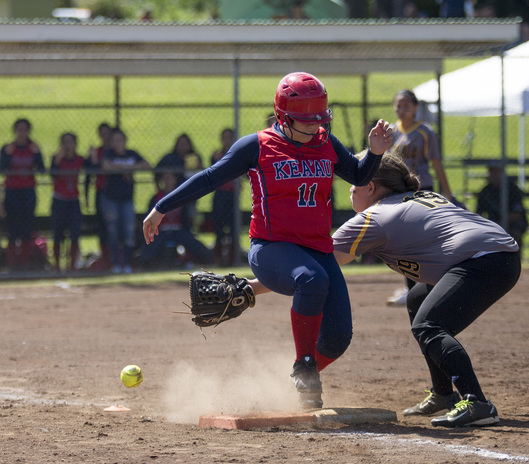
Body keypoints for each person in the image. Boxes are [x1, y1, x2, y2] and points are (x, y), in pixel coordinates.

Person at [143, 72, 393, 409]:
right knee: (311, 279)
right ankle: (304, 368)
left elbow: (359, 174)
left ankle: (288, 380)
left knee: (337, 338)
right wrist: (161, 207)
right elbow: (208, 179)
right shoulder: (257, 146)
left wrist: (375, 153)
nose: (314, 126)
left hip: (317, 250)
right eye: (306, 120)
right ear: (283, 117)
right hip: (271, 249)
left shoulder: (325, 142)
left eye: (319, 119)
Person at [250, 152, 520, 427]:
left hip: (482, 262)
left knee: (429, 325)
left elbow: (311, 268)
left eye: (354, 180)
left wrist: (251, 290)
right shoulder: (421, 197)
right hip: (502, 256)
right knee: (417, 300)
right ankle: (443, 394)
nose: (350, 188)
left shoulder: (374, 217)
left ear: (371, 187)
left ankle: (477, 402)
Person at [386, 89, 452, 307]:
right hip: (399, 192)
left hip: (422, 189)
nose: (401, 109)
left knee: (422, 240)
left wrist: (447, 192)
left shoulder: (425, 131)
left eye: (406, 105)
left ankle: (427, 287)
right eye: (398, 105)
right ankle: (410, 288)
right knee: (403, 242)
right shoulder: (392, 131)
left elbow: (436, 163)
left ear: (415, 107)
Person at [138, 171, 213, 269]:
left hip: (178, 230)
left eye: (170, 178)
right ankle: (149, 265)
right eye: (166, 178)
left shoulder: (180, 196)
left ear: (175, 180)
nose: (168, 181)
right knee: (147, 254)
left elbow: (186, 219)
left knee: (200, 249)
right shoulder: (156, 198)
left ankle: (202, 261)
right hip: (160, 231)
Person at [102, 128, 151, 274]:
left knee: (129, 232)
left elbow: (147, 165)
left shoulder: (132, 154)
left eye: (119, 140)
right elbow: (106, 166)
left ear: (124, 141)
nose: (117, 143)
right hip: (111, 200)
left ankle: (128, 264)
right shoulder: (109, 154)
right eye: (114, 141)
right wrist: (125, 168)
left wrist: (126, 167)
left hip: (127, 201)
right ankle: (116, 264)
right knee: (113, 233)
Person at [0, 118, 46, 270]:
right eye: (19, 129)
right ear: (15, 131)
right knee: (12, 228)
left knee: (27, 228)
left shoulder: (33, 148)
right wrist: (7, 155)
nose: (22, 133)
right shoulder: (8, 148)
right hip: (12, 191)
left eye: (25, 129)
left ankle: (25, 263)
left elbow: (41, 169)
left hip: (27, 191)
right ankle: (13, 264)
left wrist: (37, 154)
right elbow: (2, 168)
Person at [50, 133, 87, 272]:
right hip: (59, 200)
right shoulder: (57, 159)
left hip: (73, 201)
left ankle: (72, 265)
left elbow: (92, 168)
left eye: (70, 142)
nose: (67, 145)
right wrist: (57, 160)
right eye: (64, 142)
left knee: (75, 233)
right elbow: (52, 174)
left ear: (75, 144)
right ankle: (57, 266)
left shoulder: (79, 159)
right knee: (58, 233)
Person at [476, 162, 528, 252]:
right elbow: (479, 213)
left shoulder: (512, 188)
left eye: (496, 172)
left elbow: (517, 214)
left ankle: (516, 259)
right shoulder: (486, 191)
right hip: (493, 223)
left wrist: (503, 221)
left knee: (515, 234)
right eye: (491, 172)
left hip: (512, 223)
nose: (494, 175)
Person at [210, 128, 239, 266]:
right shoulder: (216, 155)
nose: (227, 140)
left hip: (232, 194)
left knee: (233, 227)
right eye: (225, 137)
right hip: (220, 194)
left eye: (229, 137)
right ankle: (218, 257)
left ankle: (234, 258)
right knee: (219, 227)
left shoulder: (238, 154)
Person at [85, 122, 112, 270]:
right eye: (102, 133)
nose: (105, 136)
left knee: (113, 228)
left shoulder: (116, 151)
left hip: (115, 195)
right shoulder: (98, 152)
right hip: (101, 192)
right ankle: (105, 258)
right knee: (102, 226)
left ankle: (115, 258)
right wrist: (87, 196)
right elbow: (89, 174)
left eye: (107, 133)